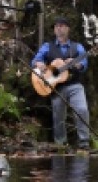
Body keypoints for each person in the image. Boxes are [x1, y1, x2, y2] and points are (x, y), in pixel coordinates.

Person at [31, 17, 90, 149]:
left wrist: (77, 64)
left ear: (68, 29)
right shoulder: (47, 46)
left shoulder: (77, 47)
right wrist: (38, 63)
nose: (59, 28)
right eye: (57, 26)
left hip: (74, 84)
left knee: (82, 110)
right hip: (55, 86)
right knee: (58, 115)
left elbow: (84, 64)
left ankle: (84, 143)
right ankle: (61, 144)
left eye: (62, 25)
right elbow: (35, 61)